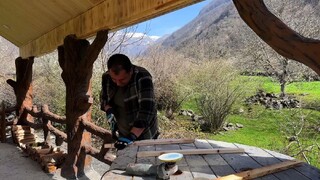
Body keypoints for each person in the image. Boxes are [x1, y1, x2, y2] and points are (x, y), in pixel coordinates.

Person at [100, 53, 159, 150]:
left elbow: (147, 110)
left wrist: (131, 136)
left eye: (122, 79)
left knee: (145, 162)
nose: (118, 84)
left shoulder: (142, 76)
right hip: (122, 133)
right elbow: (104, 99)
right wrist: (108, 110)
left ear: (130, 71)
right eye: (114, 79)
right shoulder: (106, 77)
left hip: (144, 134)